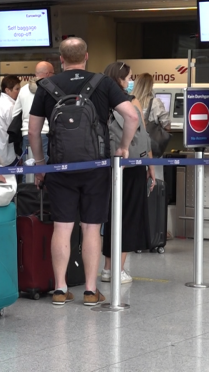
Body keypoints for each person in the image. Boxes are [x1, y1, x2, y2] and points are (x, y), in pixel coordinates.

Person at [29, 37, 138, 306]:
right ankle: (90, 290)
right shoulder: (103, 83)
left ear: (61, 59)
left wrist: (41, 164)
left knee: (62, 227)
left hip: (59, 167)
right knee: (91, 228)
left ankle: (59, 288)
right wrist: (123, 147)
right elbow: (132, 116)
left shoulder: (46, 86)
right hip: (96, 167)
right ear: (86, 56)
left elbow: (33, 130)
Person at [100, 62, 155, 284]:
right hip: (131, 165)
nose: (131, 81)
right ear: (121, 80)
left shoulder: (100, 102)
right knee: (128, 216)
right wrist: (150, 167)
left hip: (106, 166)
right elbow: (143, 137)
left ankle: (106, 268)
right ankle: (118, 269)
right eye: (129, 77)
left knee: (111, 216)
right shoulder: (131, 103)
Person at [132, 73, 171, 180]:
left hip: (134, 147)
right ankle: (154, 195)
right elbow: (167, 125)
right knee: (156, 177)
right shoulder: (155, 102)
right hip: (152, 149)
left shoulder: (129, 102)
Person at [13, 61, 53, 161]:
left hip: (27, 134)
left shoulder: (23, 90)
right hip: (46, 134)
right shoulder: (52, 89)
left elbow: (15, 113)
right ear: (48, 74)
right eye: (53, 73)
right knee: (46, 171)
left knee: (28, 172)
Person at [0, 75, 22, 166]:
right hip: (8, 151)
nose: (19, 92)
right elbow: (14, 131)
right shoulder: (11, 107)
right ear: (7, 90)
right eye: (17, 89)